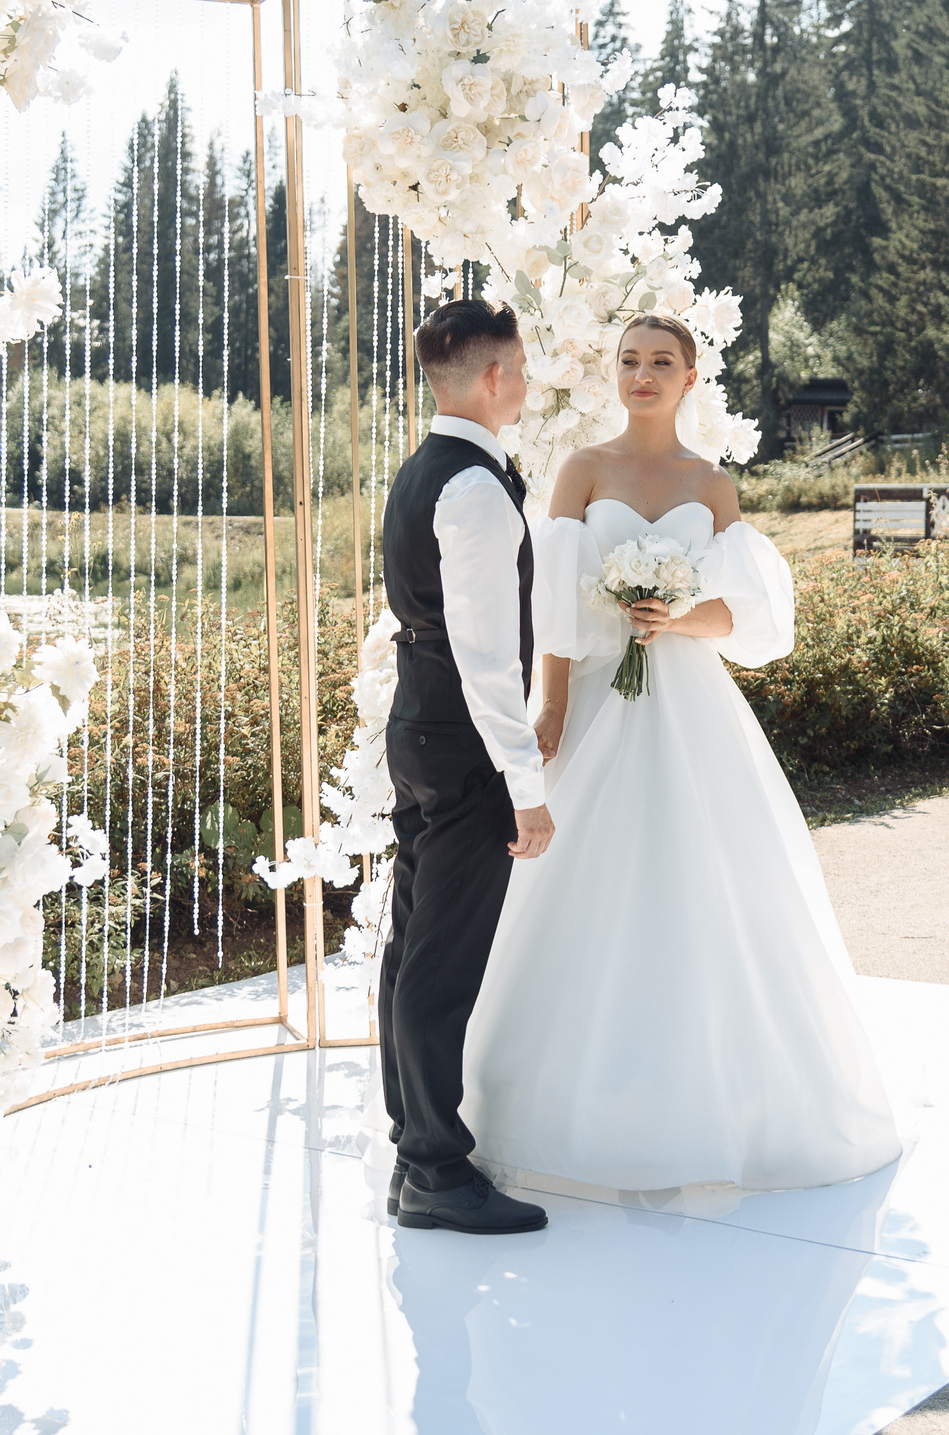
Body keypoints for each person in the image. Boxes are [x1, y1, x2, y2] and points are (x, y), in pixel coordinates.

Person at [457, 313, 902, 1194]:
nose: (642, 375)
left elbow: (741, 609)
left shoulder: (713, 485)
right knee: (586, 878)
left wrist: (675, 617)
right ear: (614, 374)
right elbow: (552, 599)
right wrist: (551, 705)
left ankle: (720, 1104)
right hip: (597, 703)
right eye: (629, 361)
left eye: (661, 362)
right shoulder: (583, 470)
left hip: (691, 702)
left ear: (691, 378)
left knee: (711, 881)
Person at [377, 299, 556, 1235]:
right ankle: (436, 1172)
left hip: (419, 726)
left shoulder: (421, 472)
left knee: (413, 943)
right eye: (520, 367)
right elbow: (490, 657)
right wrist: (526, 788)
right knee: (440, 959)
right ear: (492, 378)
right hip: (462, 737)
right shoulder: (477, 490)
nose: (526, 381)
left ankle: (416, 1147)